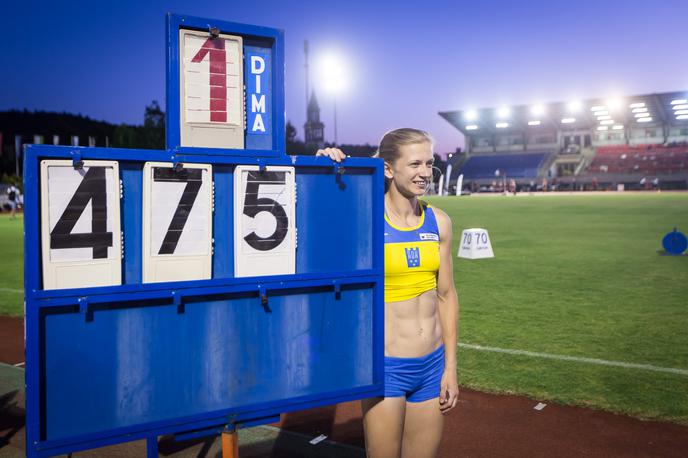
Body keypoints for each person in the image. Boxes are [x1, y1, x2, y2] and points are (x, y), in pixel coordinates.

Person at [317, 128, 459, 458]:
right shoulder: (364, 221)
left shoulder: (439, 222)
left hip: (432, 366)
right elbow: (318, 218)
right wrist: (324, 168)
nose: (425, 173)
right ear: (388, 168)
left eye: (429, 163)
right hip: (387, 368)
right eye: (414, 164)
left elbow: (447, 296)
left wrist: (450, 367)